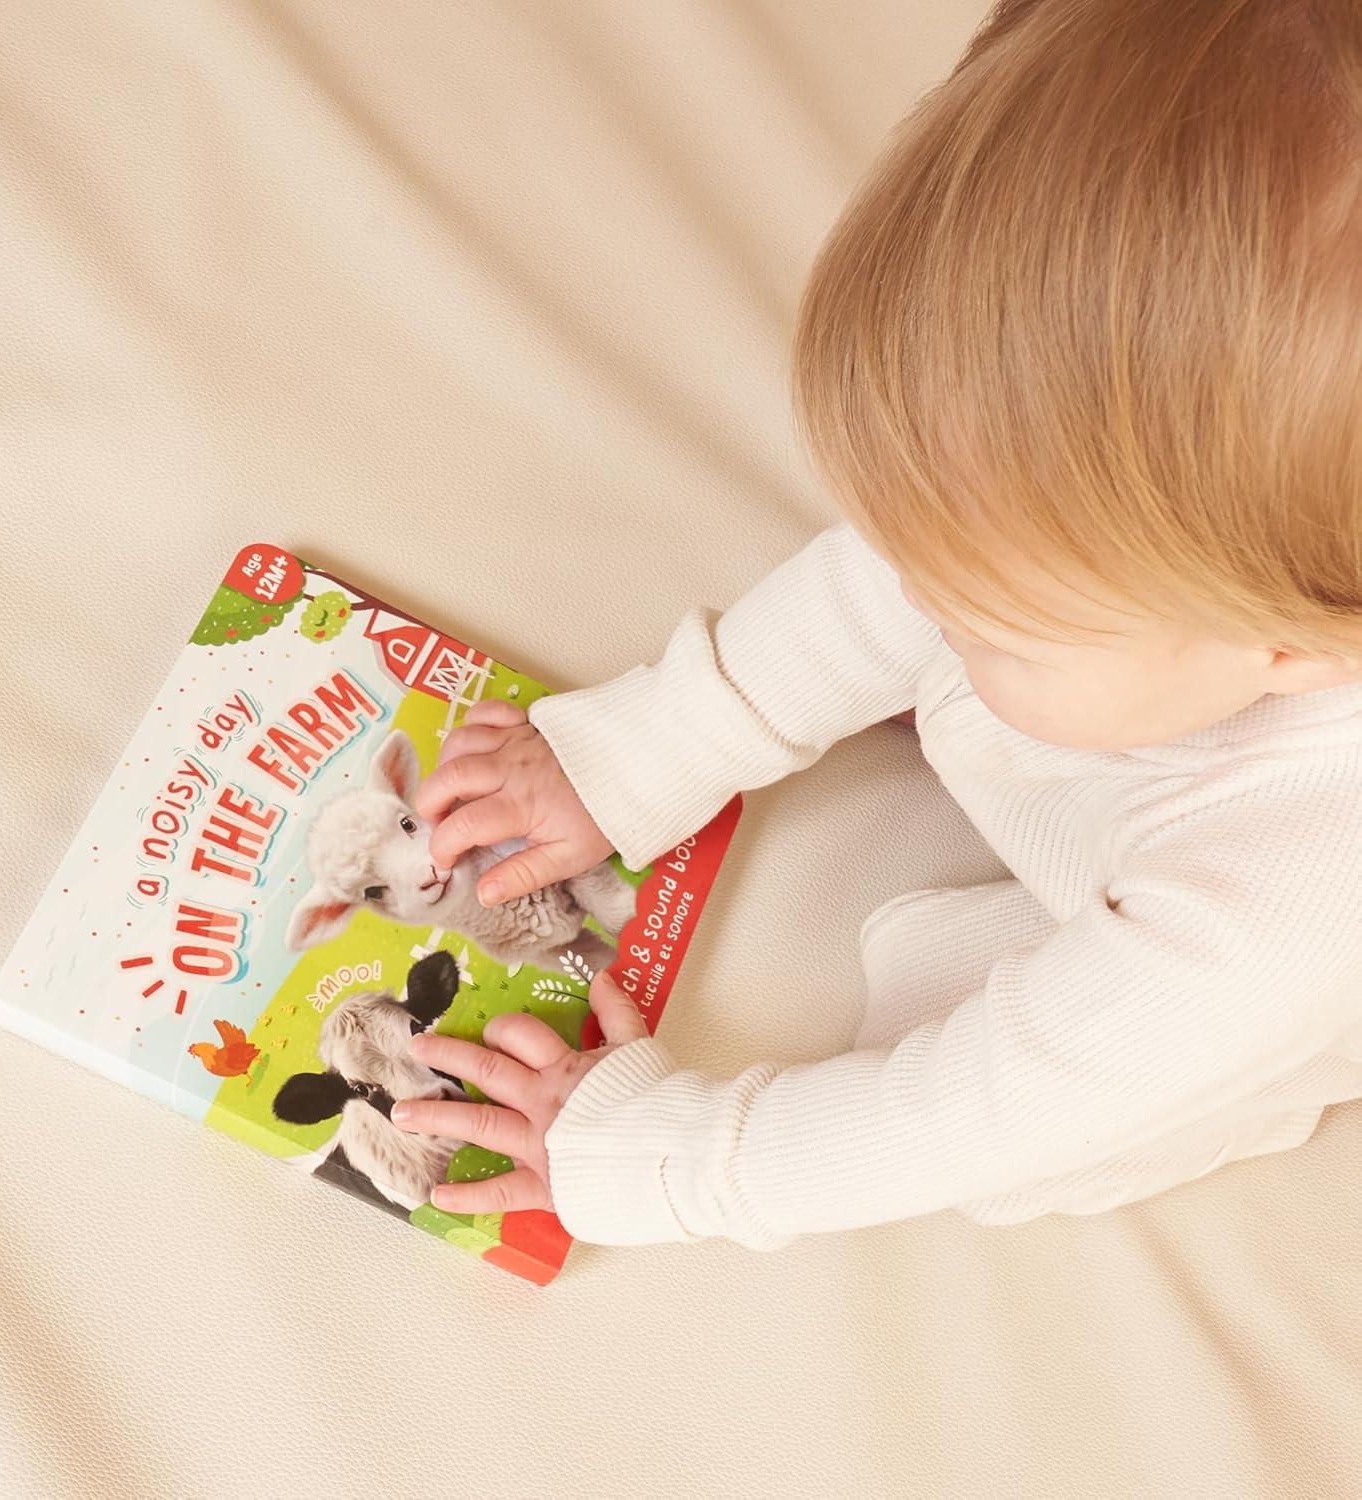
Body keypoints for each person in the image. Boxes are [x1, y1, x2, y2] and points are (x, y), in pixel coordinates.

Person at [390, 0, 1362, 1249]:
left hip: (1261, 984)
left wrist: (663, 1157)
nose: (910, 593)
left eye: (998, 619)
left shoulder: (1278, 916)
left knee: (1062, 1136)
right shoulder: (1155, 566)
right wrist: (651, 748)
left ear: (1300, 647)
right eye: (910, 540)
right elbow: (883, 583)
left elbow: (959, 1114)